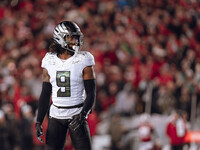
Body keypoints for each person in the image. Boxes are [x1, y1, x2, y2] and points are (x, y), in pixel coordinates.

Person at [35, 21, 96, 150]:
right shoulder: (49, 60)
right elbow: (46, 93)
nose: (75, 40)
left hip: (77, 113)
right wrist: (39, 120)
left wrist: (83, 113)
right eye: (71, 37)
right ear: (60, 38)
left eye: (76, 37)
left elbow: (91, 92)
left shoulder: (84, 59)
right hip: (56, 115)